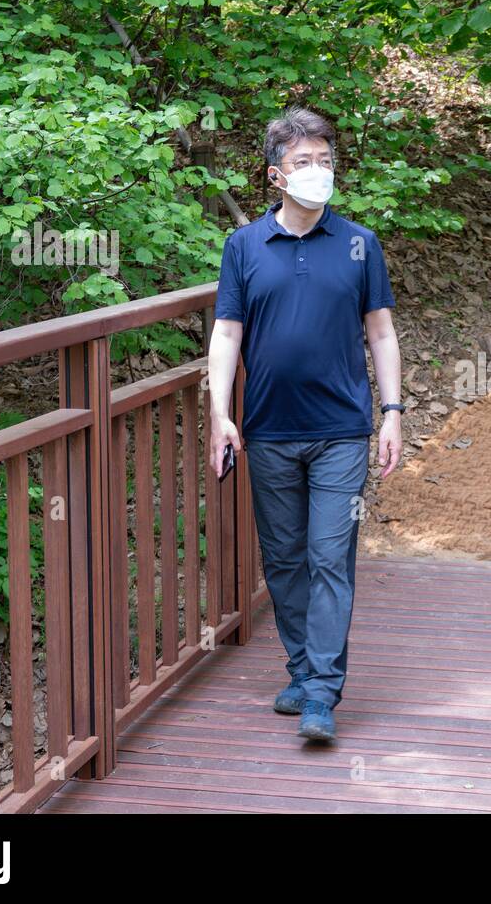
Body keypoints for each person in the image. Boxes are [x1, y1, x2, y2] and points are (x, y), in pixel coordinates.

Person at [207, 106, 403, 742]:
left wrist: (392, 413)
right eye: (303, 161)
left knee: (329, 556)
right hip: (268, 429)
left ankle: (321, 691)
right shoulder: (244, 247)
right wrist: (220, 415)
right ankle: (300, 668)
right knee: (286, 559)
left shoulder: (359, 243)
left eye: (325, 160)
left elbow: (381, 332)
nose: (317, 170)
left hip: (341, 430)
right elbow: (227, 334)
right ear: (276, 174)